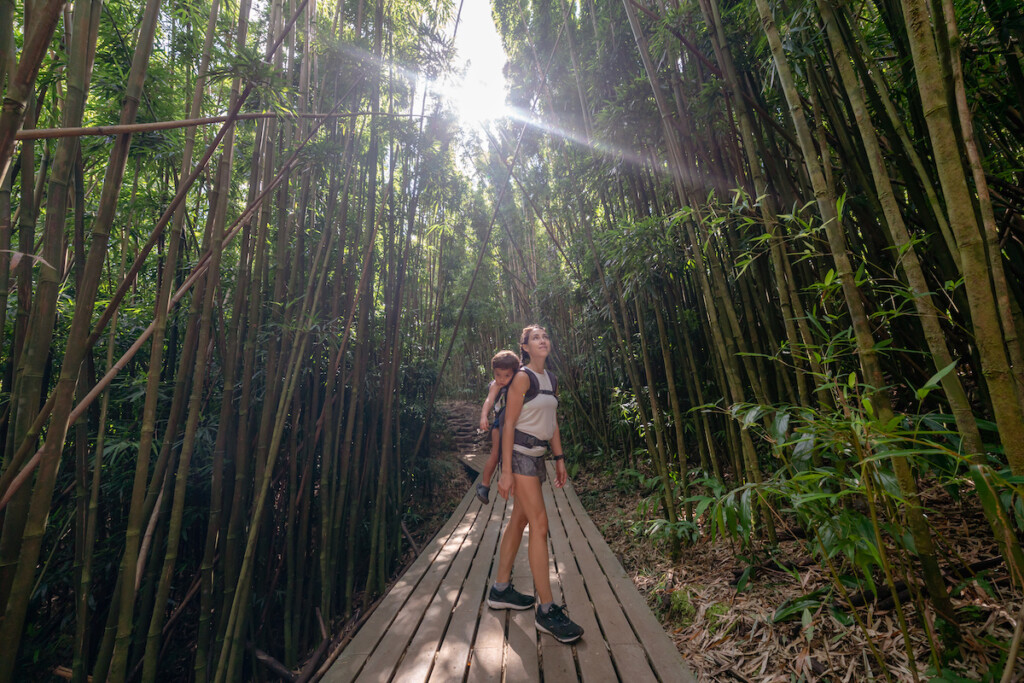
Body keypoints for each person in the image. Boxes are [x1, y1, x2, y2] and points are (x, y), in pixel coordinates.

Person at [486, 325, 584, 644]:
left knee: (520, 520)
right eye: (535, 338)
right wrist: (505, 471)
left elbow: (551, 422)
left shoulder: (551, 379)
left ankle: (500, 589)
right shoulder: (522, 378)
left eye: (545, 336)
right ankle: (546, 609)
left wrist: (560, 458)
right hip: (520, 456)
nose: (543, 340)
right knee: (539, 526)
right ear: (525, 347)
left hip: (538, 457)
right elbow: (509, 424)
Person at [474, 350, 520, 504]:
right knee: (495, 454)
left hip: (515, 425)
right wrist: (483, 416)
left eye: (507, 375)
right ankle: (484, 485)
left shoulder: (519, 382)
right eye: (498, 375)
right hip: (499, 424)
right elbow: (489, 400)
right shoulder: (496, 385)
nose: (502, 379)